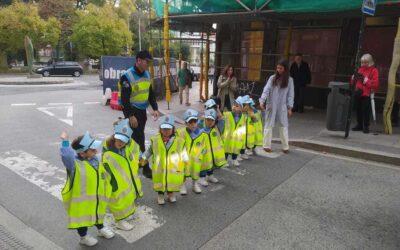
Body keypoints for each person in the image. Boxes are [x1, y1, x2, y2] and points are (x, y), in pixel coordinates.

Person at [60, 131, 115, 247]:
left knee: (98, 214)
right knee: (82, 219)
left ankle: (101, 228)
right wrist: (65, 141)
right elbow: (66, 156)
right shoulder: (74, 164)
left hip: (97, 197)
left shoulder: (94, 159)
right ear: (83, 153)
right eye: (92, 149)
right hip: (82, 202)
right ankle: (83, 237)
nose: (96, 150)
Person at [119, 50, 161, 179]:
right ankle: (145, 167)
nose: (148, 64)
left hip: (142, 112)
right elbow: (124, 99)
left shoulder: (147, 74)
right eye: (146, 61)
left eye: (149, 62)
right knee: (140, 140)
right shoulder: (127, 76)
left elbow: (150, 93)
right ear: (138, 61)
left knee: (132, 140)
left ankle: (131, 164)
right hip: (132, 111)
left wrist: (155, 108)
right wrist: (131, 115)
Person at [102, 119, 143, 231]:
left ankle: (125, 216)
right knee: (117, 201)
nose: (120, 142)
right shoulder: (107, 150)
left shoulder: (127, 146)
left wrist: (140, 159)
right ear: (114, 136)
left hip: (125, 179)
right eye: (118, 139)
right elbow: (104, 166)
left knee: (127, 198)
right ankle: (119, 221)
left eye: (124, 141)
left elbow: (136, 151)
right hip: (114, 181)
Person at [141, 115, 188, 205]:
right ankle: (160, 195)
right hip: (160, 168)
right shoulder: (156, 140)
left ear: (173, 129)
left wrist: (186, 163)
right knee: (160, 182)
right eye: (164, 129)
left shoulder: (179, 141)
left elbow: (183, 152)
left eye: (168, 129)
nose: (166, 131)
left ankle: (170, 194)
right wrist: (143, 158)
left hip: (172, 168)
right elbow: (149, 151)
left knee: (171, 181)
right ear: (160, 129)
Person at [259, 59, 294, 153]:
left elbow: (290, 95)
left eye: (281, 68)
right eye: (277, 68)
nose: (278, 70)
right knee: (268, 125)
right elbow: (266, 90)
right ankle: (266, 145)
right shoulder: (272, 78)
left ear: (285, 69)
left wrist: (290, 108)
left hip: (282, 107)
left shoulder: (290, 81)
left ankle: (285, 147)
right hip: (271, 105)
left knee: (284, 126)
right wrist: (262, 101)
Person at [176, 109, 211, 194]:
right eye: (190, 122)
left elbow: (205, 147)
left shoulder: (202, 134)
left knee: (195, 171)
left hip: (196, 158)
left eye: (195, 121)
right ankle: (182, 185)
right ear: (186, 123)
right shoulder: (181, 133)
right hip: (184, 157)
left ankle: (194, 184)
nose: (193, 124)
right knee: (183, 171)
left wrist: (202, 155)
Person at [351, 53, 379, 134]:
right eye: (362, 62)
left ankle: (366, 126)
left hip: (367, 93)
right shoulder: (360, 69)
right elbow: (353, 83)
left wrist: (367, 81)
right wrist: (353, 79)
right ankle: (359, 125)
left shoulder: (374, 70)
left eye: (365, 62)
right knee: (358, 110)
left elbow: (375, 83)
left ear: (369, 62)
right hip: (358, 92)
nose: (363, 64)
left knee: (365, 111)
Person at [198, 109, 227, 186]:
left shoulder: (216, 130)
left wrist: (218, 112)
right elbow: (196, 128)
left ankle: (210, 175)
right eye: (208, 120)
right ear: (205, 120)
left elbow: (222, 122)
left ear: (214, 121)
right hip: (204, 153)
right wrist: (200, 121)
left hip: (213, 153)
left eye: (212, 120)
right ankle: (202, 178)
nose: (209, 122)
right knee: (203, 165)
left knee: (212, 165)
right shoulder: (201, 131)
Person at [221, 96, 246, 167]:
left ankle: (234, 160)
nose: (234, 107)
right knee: (226, 149)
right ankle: (225, 161)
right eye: (234, 105)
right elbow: (221, 119)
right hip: (228, 137)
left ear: (241, 108)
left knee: (236, 149)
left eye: (237, 106)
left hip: (237, 138)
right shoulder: (228, 114)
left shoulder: (243, 117)